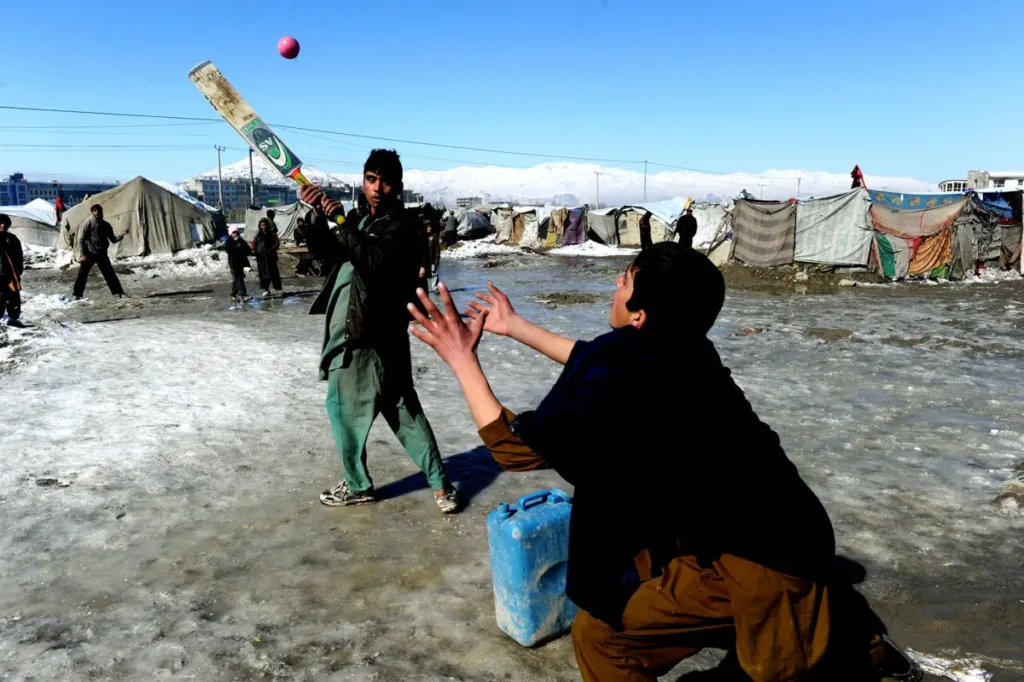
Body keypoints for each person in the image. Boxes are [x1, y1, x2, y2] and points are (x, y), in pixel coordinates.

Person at [407, 242, 923, 682]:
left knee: (606, 638)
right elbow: (601, 361)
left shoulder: (635, 363)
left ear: (640, 314)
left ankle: (855, 644)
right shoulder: (685, 349)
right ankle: (842, 628)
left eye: (626, 279)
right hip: (757, 531)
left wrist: (461, 358)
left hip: (768, 558)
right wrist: (517, 327)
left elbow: (516, 448)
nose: (615, 280)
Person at [300, 148, 458, 514]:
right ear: (363, 180)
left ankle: (357, 485)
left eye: (385, 181)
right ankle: (440, 486)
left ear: (397, 187)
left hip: (367, 337)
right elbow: (324, 252)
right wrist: (319, 215)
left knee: (343, 410)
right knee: (403, 409)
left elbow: (373, 264)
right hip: (379, 333)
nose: (377, 188)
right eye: (371, 179)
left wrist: (342, 221)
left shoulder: (402, 227)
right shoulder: (360, 218)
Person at [72, 204, 128, 300]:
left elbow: (113, 239)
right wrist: (83, 254)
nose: (96, 212)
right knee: (82, 274)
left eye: (98, 210)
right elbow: (81, 240)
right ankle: (77, 294)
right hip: (90, 253)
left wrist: (121, 235)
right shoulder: (88, 224)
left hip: (102, 254)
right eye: (94, 211)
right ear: (92, 213)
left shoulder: (106, 225)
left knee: (109, 273)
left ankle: (118, 292)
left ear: (101, 211)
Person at [0, 214, 25, 328]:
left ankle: (13, 319)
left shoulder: (13, 239)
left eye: (5, 223)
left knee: (14, 297)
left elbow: (19, 257)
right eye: (0, 223)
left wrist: (18, 271)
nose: (3, 225)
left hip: (10, 275)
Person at [251, 217, 282, 297]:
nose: (263, 227)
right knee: (263, 274)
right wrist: (254, 250)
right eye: (262, 225)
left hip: (270, 257)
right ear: (259, 226)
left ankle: (278, 289)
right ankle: (266, 289)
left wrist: (271, 250)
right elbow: (254, 244)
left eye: (264, 225)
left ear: (267, 225)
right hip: (261, 259)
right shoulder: (258, 236)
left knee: (273, 273)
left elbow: (277, 243)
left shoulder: (272, 234)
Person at [225, 225, 252, 304]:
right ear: (230, 233)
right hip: (234, 264)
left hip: (241, 263)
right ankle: (243, 295)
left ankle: (233, 294)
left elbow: (248, 249)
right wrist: (236, 244)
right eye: (233, 233)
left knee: (237, 279)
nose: (235, 234)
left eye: (236, 232)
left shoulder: (241, 240)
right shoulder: (229, 241)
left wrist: (244, 251)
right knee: (238, 278)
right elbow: (228, 248)